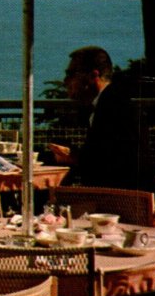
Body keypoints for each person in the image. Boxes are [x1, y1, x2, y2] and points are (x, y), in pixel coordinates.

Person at [49, 46, 149, 189]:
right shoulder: (111, 101)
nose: (65, 81)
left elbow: (109, 164)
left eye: (71, 74)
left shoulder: (112, 108)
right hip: (124, 194)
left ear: (92, 76)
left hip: (118, 200)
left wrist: (74, 157)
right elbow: (104, 154)